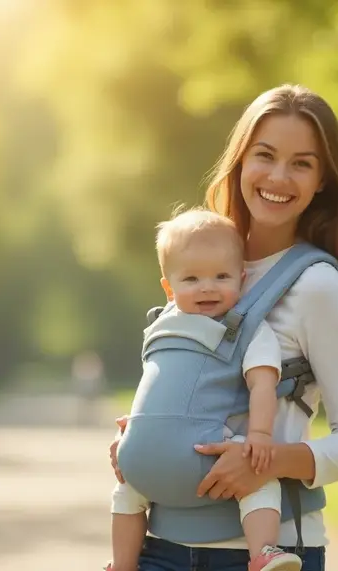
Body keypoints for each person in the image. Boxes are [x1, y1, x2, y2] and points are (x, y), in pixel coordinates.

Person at [108, 83, 338, 571]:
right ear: (240, 161)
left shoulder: (317, 286)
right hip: (160, 548)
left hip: (262, 555)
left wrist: (263, 460)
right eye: (266, 155)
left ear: (322, 180)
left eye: (302, 163)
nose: (279, 176)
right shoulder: (206, 261)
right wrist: (145, 439)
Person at [109, 208, 303, 571]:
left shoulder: (158, 330)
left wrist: (135, 431)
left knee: (126, 495)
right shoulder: (249, 331)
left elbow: (158, 384)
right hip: (197, 455)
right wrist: (259, 437)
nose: (208, 287)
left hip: (138, 461)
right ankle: (263, 552)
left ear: (242, 279)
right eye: (192, 278)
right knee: (260, 482)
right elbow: (262, 382)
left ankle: (123, 564)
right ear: (169, 288)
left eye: (221, 276)